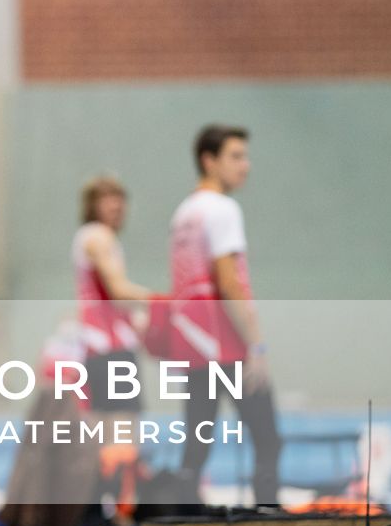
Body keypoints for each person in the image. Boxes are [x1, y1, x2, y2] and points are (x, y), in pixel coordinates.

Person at [168, 125, 281, 506]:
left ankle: (182, 517)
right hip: (226, 346)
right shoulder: (222, 210)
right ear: (209, 160)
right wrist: (256, 345)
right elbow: (229, 283)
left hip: (193, 345)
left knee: (196, 441)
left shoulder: (184, 213)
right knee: (267, 437)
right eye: (235, 157)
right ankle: (267, 517)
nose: (245, 166)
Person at [73, 174, 155, 401]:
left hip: (98, 347)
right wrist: (163, 301)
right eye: (107, 199)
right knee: (123, 431)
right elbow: (117, 291)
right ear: (92, 205)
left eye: (120, 199)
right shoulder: (99, 236)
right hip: (110, 348)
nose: (116, 206)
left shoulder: (90, 238)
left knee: (108, 430)